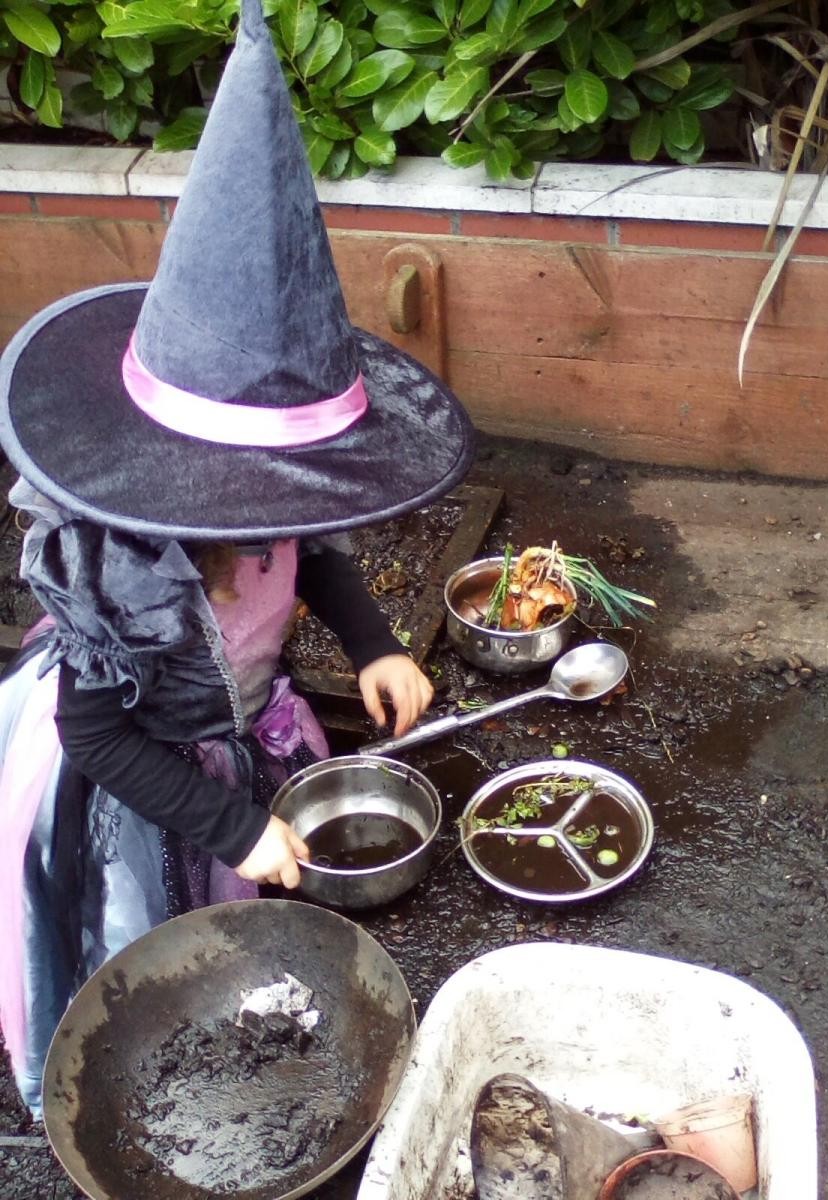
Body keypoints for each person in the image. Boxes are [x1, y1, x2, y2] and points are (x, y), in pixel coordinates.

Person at [0, 0, 474, 1117]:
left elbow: (313, 561)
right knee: (153, 949)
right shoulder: (123, 570)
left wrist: (374, 646)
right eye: (248, 502)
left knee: (254, 901)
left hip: (242, 722)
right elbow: (94, 731)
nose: (270, 520)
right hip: (138, 765)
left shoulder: (279, 510)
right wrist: (231, 823)